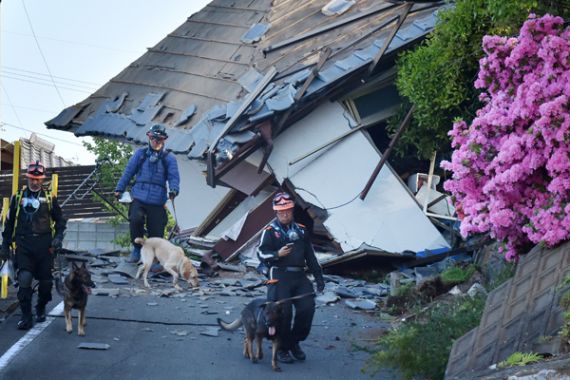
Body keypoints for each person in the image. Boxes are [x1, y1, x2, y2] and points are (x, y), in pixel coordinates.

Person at [257, 191, 325, 364]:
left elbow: (310, 255)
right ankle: (281, 347)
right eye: (281, 212)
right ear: (276, 212)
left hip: (299, 275)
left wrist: (319, 277)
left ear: (292, 210)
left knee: (307, 308)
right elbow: (260, 253)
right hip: (279, 274)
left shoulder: (301, 230)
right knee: (283, 313)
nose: (284, 214)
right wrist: (276, 254)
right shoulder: (270, 231)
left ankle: (294, 342)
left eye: (287, 210)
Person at [1, 161, 67, 330]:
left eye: (38, 179)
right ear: (28, 178)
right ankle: (25, 316)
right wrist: (5, 245)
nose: (35, 182)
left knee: (46, 284)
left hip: (45, 246)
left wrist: (58, 238)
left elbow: (60, 221)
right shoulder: (18, 197)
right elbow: (8, 224)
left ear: (42, 179)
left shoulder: (50, 198)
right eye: (32, 178)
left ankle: (40, 307)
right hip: (24, 244)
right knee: (24, 278)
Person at [114, 124, 180, 263]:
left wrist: (174, 189)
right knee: (135, 219)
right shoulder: (140, 154)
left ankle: (155, 258)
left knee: (156, 229)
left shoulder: (169, 158)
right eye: (154, 138)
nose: (156, 142)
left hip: (157, 199)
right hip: (139, 196)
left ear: (164, 140)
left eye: (160, 139)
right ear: (149, 138)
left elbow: (174, 177)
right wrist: (119, 188)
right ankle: (137, 249)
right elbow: (128, 172)